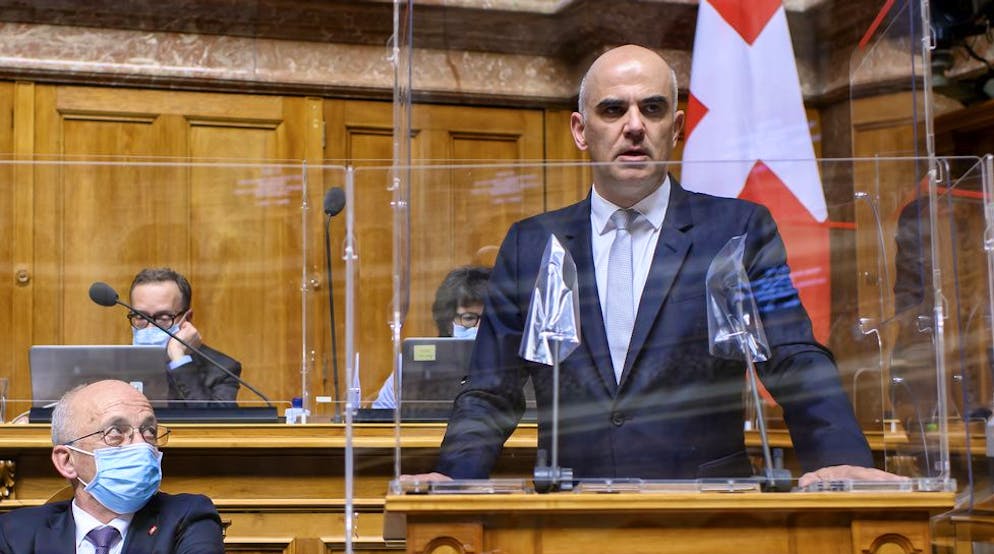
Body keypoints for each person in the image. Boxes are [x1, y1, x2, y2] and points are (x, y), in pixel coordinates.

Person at [410, 45, 899, 487]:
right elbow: (491, 388)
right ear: (581, 131)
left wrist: (840, 460)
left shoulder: (737, 231)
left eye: (652, 107)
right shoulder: (532, 244)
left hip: (707, 512)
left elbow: (794, 357)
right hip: (571, 511)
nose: (634, 125)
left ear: (678, 127)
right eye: (612, 109)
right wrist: (456, 478)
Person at [0, 380, 227, 554]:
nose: (141, 444)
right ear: (67, 461)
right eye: (115, 433)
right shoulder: (14, 532)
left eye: (149, 431)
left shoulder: (187, 518)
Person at [372, 266, 491, 408]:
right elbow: (380, 418)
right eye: (469, 318)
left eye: (490, 319)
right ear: (448, 322)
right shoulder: (411, 366)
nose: (479, 329)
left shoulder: (515, 363)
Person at [129, 268, 240, 407]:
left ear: (187, 318)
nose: (150, 327)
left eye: (164, 318)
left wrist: (178, 358)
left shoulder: (221, 369)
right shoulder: (110, 366)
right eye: (140, 317)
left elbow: (216, 426)